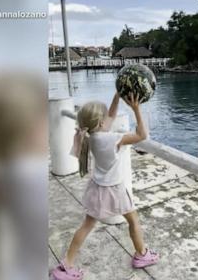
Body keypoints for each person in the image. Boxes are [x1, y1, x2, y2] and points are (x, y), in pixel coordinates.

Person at [52, 92, 159, 280]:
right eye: (105, 118)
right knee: (133, 221)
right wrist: (136, 108)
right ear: (101, 124)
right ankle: (142, 255)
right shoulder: (112, 139)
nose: (109, 118)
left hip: (97, 188)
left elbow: (109, 116)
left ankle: (66, 265)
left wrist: (117, 97)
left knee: (86, 226)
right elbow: (142, 134)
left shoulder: (91, 136)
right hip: (114, 190)